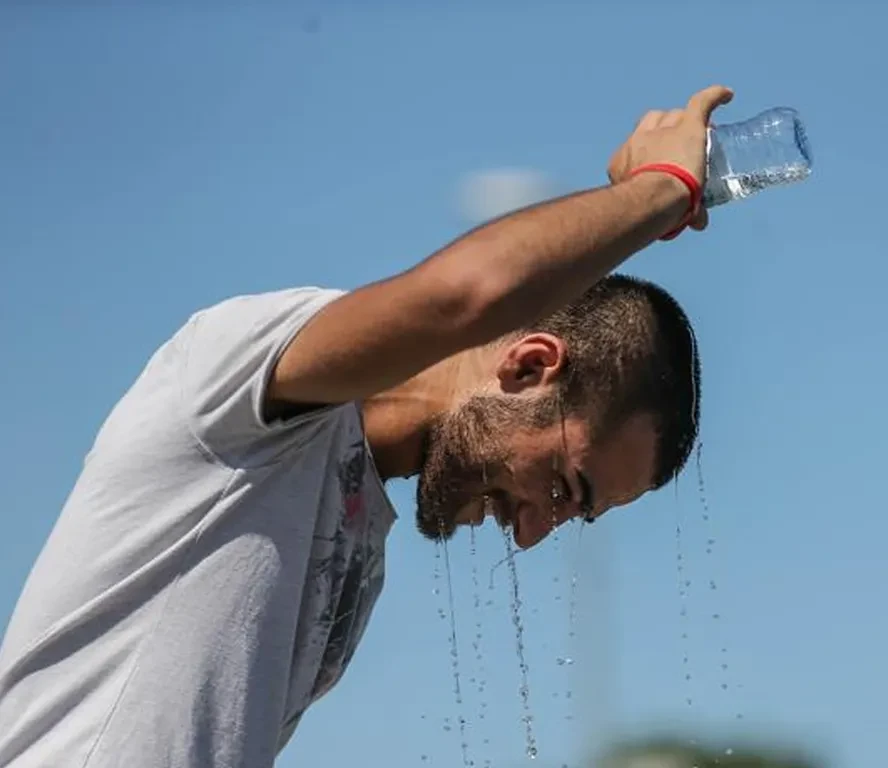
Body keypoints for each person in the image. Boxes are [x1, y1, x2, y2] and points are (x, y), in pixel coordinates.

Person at [0, 84, 734, 768]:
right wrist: (662, 189)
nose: (534, 532)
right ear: (530, 366)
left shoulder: (361, 547)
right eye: (564, 487)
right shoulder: (245, 381)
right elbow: (466, 296)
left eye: (575, 516)